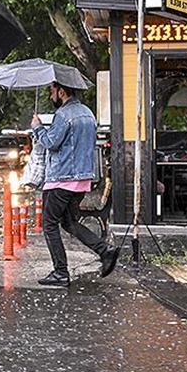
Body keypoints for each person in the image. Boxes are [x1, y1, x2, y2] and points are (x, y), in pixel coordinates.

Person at [31, 80, 120, 287]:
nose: (50, 95)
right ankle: (104, 250)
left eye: (51, 90)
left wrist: (37, 128)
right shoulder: (88, 113)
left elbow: (50, 143)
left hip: (61, 180)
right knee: (69, 222)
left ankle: (61, 272)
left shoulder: (63, 115)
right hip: (81, 181)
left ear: (61, 91)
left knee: (49, 224)